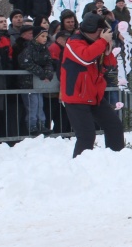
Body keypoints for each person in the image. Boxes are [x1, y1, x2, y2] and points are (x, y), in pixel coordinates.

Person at [60, 13, 125, 157]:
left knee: (114, 126)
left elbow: (109, 66)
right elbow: (85, 58)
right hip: (76, 96)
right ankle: (80, 168)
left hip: (94, 95)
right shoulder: (74, 42)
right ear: (97, 31)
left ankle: (117, 161)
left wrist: (107, 51)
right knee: (86, 136)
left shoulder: (96, 44)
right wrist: (102, 42)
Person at [18, 26, 54, 136]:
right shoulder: (29, 49)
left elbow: (49, 62)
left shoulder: (44, 50)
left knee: (40, 104)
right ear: (36, 37)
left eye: (46, 37)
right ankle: (31, 125)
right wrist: (42, 73)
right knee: (32, 105)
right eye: (42, 36)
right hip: (28, 84)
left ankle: (41, 124)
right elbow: (26, 63)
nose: (44, 39)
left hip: (38, 83)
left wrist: (48, 73)